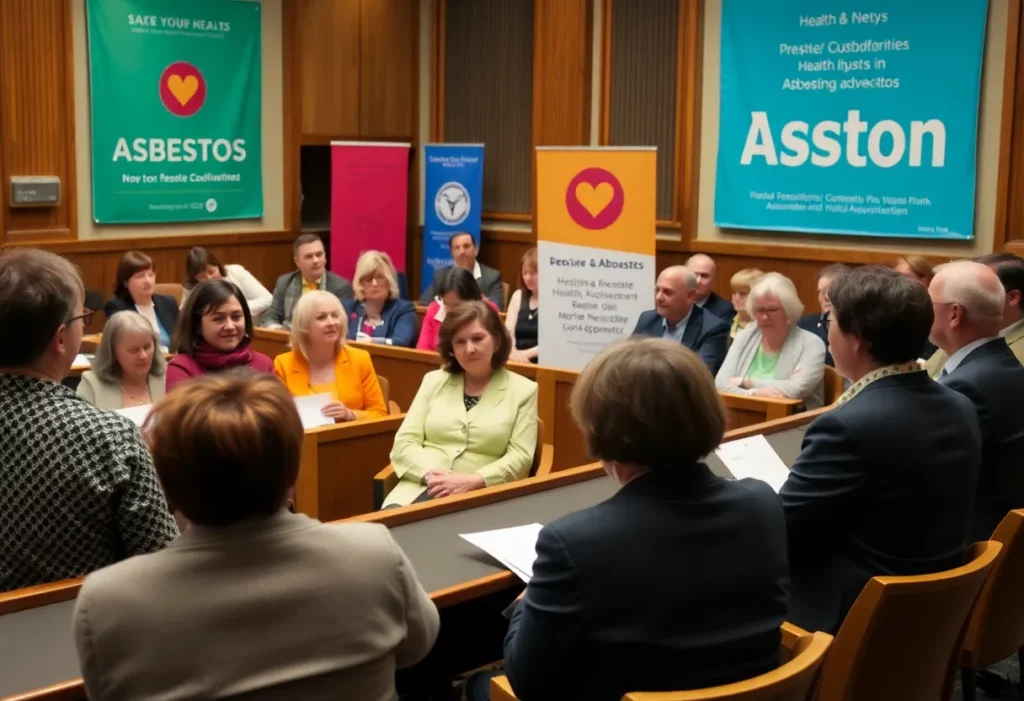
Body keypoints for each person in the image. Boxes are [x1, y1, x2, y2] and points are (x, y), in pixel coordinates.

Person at [73, 372, 439, 701]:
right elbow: (418, 647)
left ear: (166, 482)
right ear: (293, 471)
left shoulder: (107, 603)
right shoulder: (374, 553)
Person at [503, 339, 789, 701]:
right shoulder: (763, 504)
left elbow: (527, 683)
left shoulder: (573, 544)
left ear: (600, 430)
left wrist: (526, 602)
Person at [779, 266, 981, 634]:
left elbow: (782, 530)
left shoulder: (848, 425)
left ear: (857, 337)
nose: (826, 333)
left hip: (852, 614)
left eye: (831, 321)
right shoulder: (960, 405)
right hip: (930, 608)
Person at [0, 248, 177, 592]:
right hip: (90, 633)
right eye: (82, 318)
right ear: (62, 338)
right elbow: (161, 568)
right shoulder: (110, 437)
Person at [384, 302, 538, 508]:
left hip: (480, 495)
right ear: (451, 349)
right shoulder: (433, 381)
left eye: (478, 338)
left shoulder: (524, 390)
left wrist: (472, 481)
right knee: (386, 534)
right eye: (460, 342)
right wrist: (433, 476)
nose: (470, 348)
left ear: (497, 342)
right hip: (419, 487)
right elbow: (404, 443)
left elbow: (521, 456)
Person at [928, 261, 1024, 540]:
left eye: (928, 302)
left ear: (954, 314)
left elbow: (931, 476)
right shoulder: (1006, 365)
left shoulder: (965, 385)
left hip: (970, 539)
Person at [715, 273, 826, 409]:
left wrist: (746, 382)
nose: (764, 317)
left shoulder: (811, 344)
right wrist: (754, 393)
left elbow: (795, 389)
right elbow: (720, 384)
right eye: (759, 310)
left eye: (772, 310)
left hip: (793, 422)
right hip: (741, 417)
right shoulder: (744, 337)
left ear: (789, 310)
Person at [274, 291, 387, 421]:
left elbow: (379, 413)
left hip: (350, 438)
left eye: (335, 315)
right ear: (303, 325)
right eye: (321, 317)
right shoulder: (283, 364)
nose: (331, 322)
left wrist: (350, 414)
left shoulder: (359, 359)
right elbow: (279, 418)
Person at [166, 280, 273, 391]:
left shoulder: (264, 363)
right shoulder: (182, 368)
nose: (230, 326)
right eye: (218, 319)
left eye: (236, 317)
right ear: (197, 325)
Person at [927, 252, 1024, 375]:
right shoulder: (961, 333)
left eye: (978, 287)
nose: (961, 298)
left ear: (1013, 297)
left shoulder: (1017, 356)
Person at [632, 266, 730, 374]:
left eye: (667, 292)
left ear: (690, 295)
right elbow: (627, 360)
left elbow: (700, 374)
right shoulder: (648, 319)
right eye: (657, 290)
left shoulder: (713, 328)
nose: (659, 297)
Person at [77, 311, 166, 410]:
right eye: (133, 350)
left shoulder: (169, 376)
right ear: (113, 352)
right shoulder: (92, 385)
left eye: (147, 347)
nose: (143, 356)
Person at [263, 233, 354, 329]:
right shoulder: (284, 282)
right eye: (309, 257)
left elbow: (342, 324)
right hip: (289, 338)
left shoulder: (341, 287)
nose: (315, 260)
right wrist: (281, 332)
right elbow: (270, 317)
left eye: (319, 255)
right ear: (297, 262)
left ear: (325, 257)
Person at [104, 251, 178, 350]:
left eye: (150, 275)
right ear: (126, 282)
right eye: (140, 276)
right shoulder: (117, 308)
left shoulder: (168, 303)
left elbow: (184, 339)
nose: (147, 281)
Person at [342, 250, 416, 347]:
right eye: (368, 279)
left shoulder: (404, 310)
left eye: (380, 278)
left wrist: (369, 341)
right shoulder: (346, 308)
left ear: (389, 281)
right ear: (360, 283)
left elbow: (400, 342)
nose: (374, 284)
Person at [416, 267, 501, 352]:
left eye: (456, 305)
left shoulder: (488, 311)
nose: (450, 310)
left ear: (471, 300)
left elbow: (497, 350)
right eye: (446, 303)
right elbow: (422, 350)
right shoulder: (434, 310)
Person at [182, 246, 273, 321]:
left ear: (218, 266)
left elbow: (269, 299)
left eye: (211, 272)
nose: (209, 279)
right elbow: (184, 312)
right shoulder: (192, 287)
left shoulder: (236, 272)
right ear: (194, 278)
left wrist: (237, 309)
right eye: (202, 277)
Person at [419, 232, 505, 310]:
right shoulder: (441, 275)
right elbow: (424, 303)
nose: (462, 251)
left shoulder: (492, 277)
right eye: (457, 248)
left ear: (476, 250)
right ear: (451, 253)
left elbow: (497, 308)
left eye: (466, 246)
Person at [797, 263, 850, 367]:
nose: (826, 297)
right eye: (821, 292)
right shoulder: (804, 325)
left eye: (831, 291)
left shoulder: (856, 327)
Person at [505, 247, 539, 363]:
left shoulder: (555, 300)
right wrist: (512, 352)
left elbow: (553, 343)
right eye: (525, 273)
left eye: (533, 273)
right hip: (516, 360)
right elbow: (508, 333)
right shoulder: (518, 296)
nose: (528, 278)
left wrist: (522, 355)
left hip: (542, 362)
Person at [686, 253, 736, 323]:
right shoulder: (672, 301)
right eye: (694, 275)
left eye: (704, 276)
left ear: (714, 281)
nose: (698, 281)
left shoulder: (724, 310)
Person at [728, 268, 763, 339]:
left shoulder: (766, 328)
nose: (736, 298)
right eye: (734, 292)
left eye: (743, 293)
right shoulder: (726, 320)